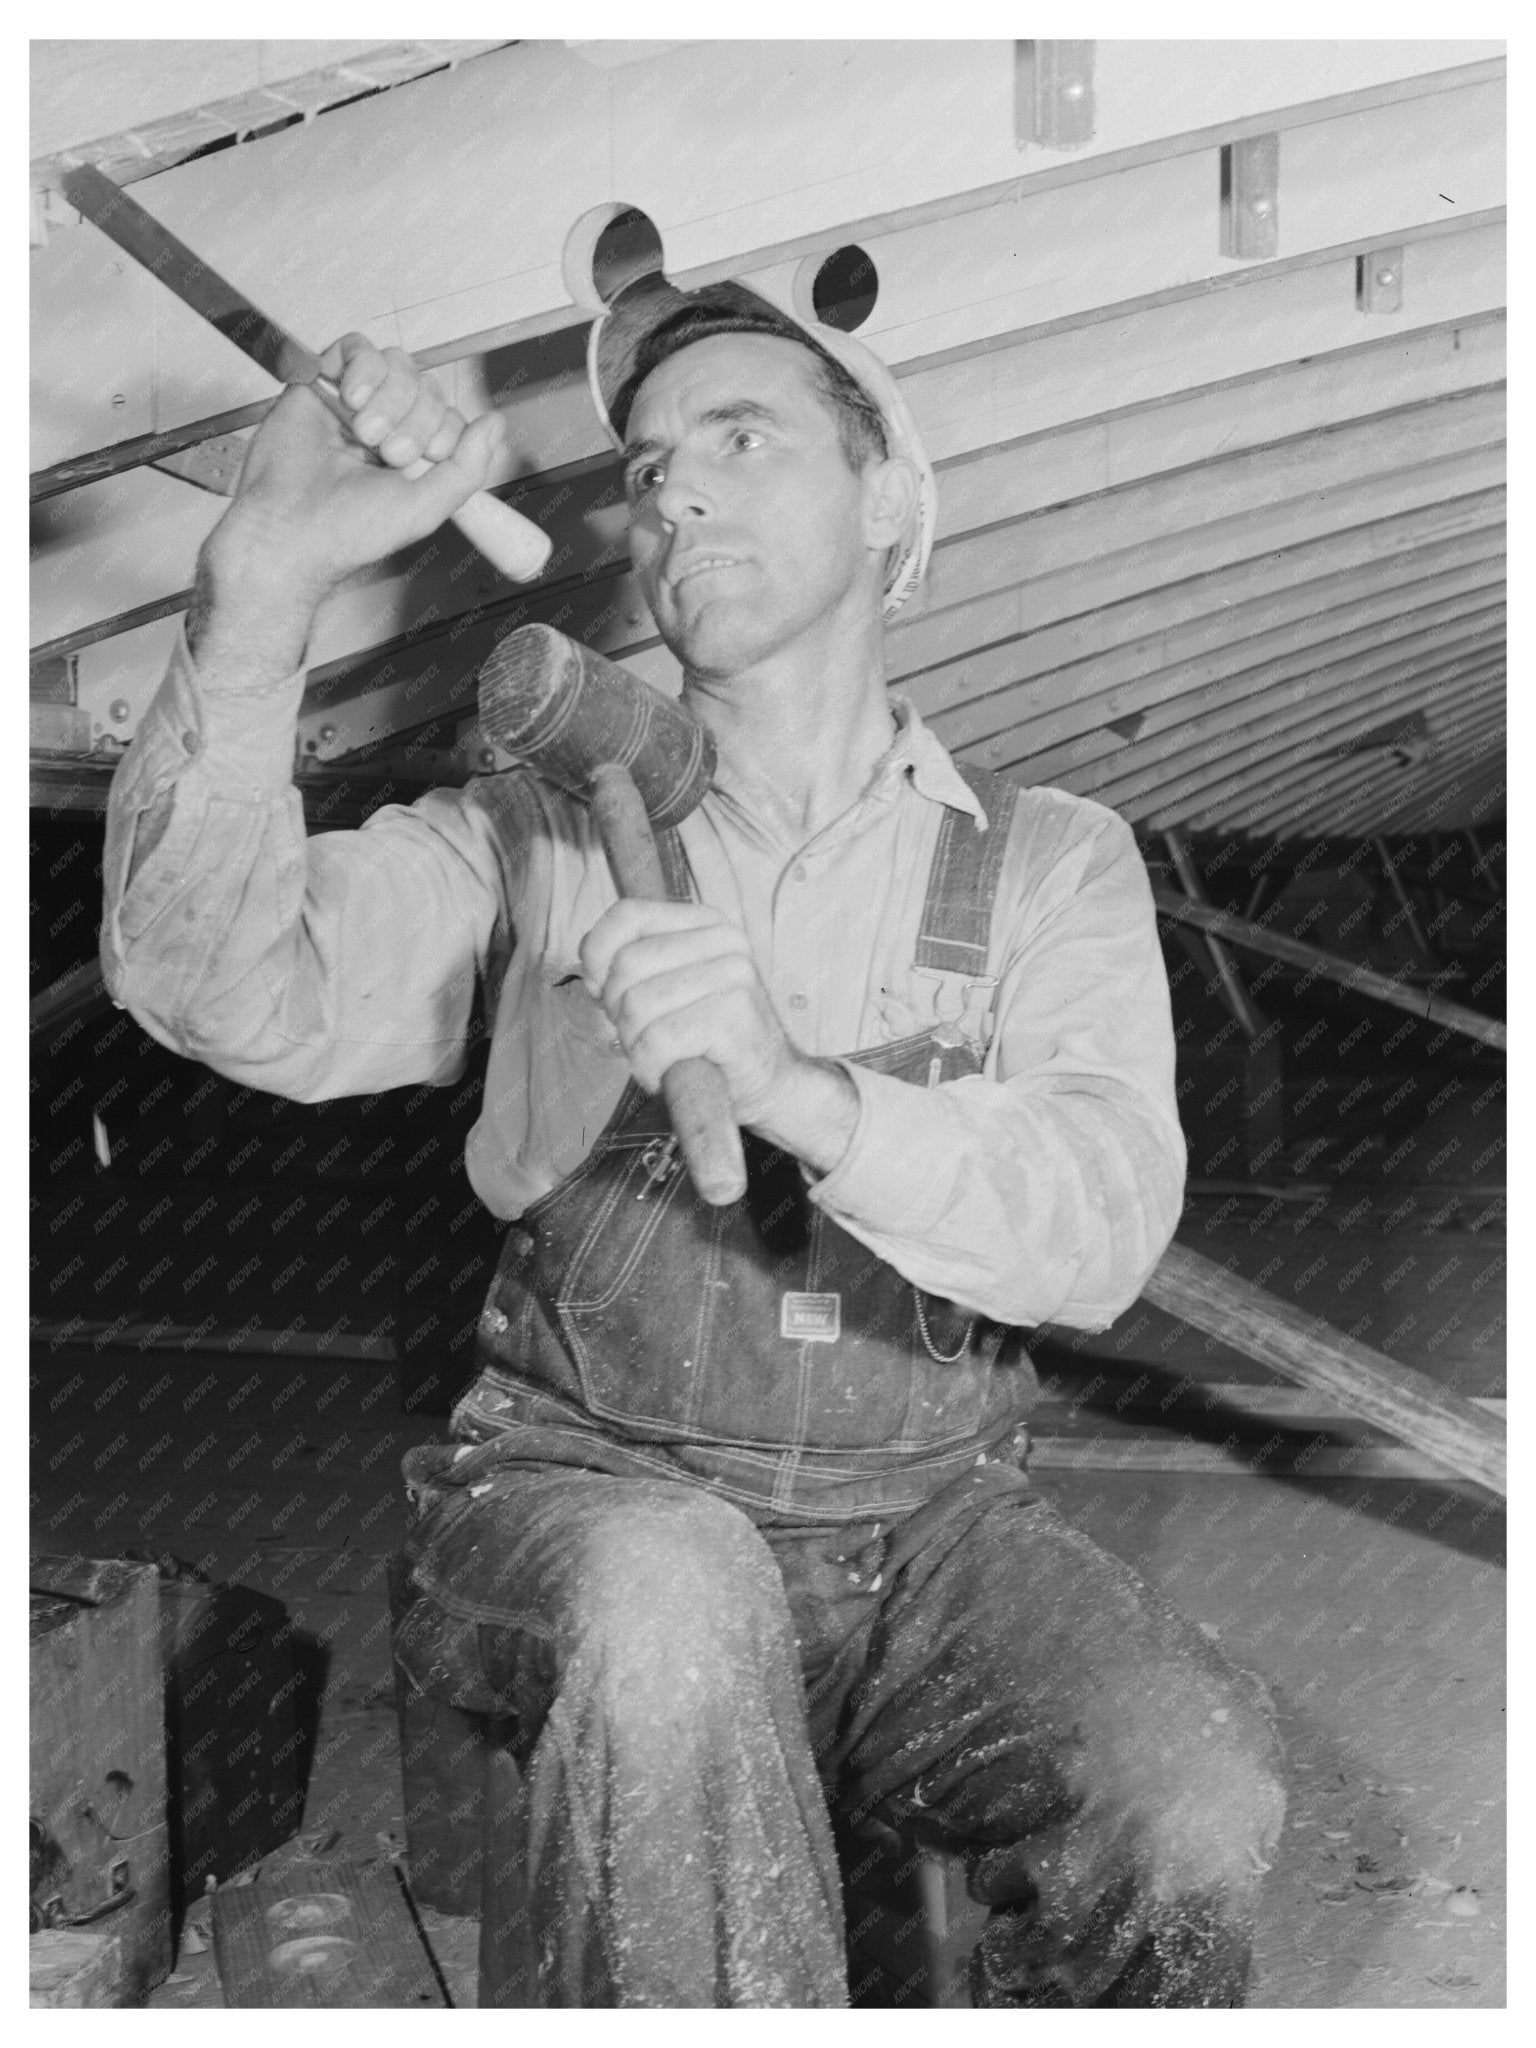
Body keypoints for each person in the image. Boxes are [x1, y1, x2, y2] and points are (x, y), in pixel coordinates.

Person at [102, 275, 1285, 2007]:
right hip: (582, 1494)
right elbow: (212, 986)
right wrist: (262, 581)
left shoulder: (1045, 860)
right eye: (651, 470)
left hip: (931, 1530)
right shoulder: (539, 836)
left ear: (891, 503)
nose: (677, 495)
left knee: (1192, 1784)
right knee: (673, 1609)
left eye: (742, 438)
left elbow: (1102, 1222)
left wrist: (798, 1087)